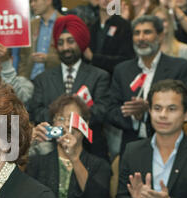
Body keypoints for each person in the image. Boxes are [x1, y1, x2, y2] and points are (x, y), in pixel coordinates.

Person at [28, 15, 111, 160]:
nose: (65, 47)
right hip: (50, 151)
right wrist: (60, 120)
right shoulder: (42, 79)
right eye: (60, 43)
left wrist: (73, 119)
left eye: (70, 41)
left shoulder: (99, 76)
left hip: (90, 151)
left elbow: (102, 110)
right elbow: (36, 111)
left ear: (80, 42)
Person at [106, 15, 187, 156]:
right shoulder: (122, 70)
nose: (141, 38)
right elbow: (110, 110)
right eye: (137, 33)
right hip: (131, 148)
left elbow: (185, 108)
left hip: (171, 148)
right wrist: (134, 117)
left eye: (147, 32)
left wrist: (149, 110)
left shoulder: (180, 68)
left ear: (161, 36)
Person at [85, 0, 135, 75]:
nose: (106, 0)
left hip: (114, 79)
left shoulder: (124, 26)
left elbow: (126, 60)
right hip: (91, 78)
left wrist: (94, 58)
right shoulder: (90, 27)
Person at [19, 0, 62, 80]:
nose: (32, 4)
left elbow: (71, 57)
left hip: (56, 81)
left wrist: (47, 59)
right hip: (31, 81)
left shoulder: (65, 23)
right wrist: (23, 77)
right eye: (30, 2)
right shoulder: (31, 25)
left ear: (49, 1)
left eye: (35, 1)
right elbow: (23, 56)